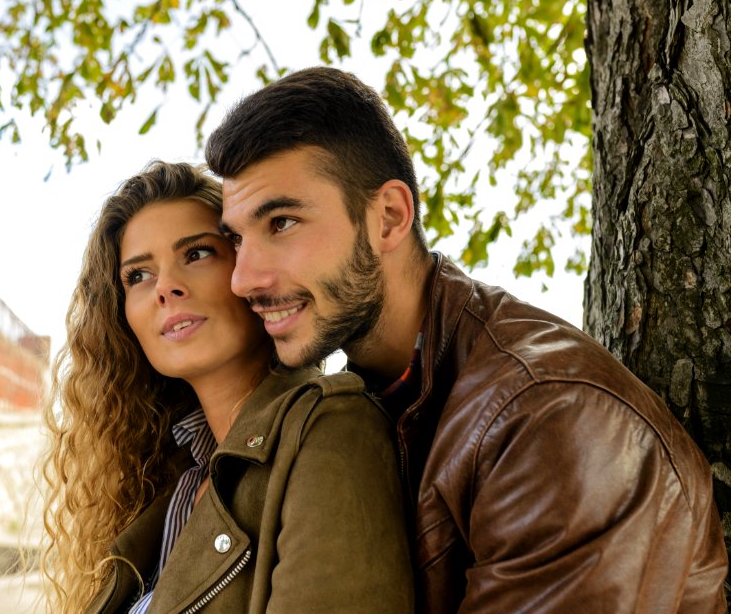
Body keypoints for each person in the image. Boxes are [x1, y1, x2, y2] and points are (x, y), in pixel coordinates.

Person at [205, 67, 729, 613]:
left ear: (388, 217)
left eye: (283, 223)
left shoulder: (546, 417)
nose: (244, 279)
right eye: (237, 238)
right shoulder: (368, 403)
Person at [39, 161, 415, 614]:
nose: (166, 288)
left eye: (197, 253)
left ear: (249, 269)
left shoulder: (329, 426)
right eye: (138, 275)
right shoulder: (177, 479)